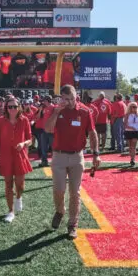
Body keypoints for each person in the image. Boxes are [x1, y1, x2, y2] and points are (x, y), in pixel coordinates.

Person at [46, 85, 100, 240]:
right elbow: (48, 129)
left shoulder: (84, 111)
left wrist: (96, 153)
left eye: (72, 98)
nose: (69, 102)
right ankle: (60, 211)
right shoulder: (57, 109)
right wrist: (56, 112)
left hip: (77, 156)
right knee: (59, 189)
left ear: (76, 96)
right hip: (59, 155)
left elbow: (92, 132)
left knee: (75, 193)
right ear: (61, 98)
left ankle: (72, 224)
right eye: (66, 99)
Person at [0, 95, 33, 223]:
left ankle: (19, 197)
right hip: (5, 156)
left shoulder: (24, 120)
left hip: (20, 155)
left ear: (19, 107)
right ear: (6, 108)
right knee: (8, 184)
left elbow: (30, 139)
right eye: (10, 107)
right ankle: (10, 211)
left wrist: (23, 144)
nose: (12, 109)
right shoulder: (1, 120)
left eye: (15, 106)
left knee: (20, 185)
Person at [35, 95, 55, 167]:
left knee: (53, 147)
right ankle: (44, 161)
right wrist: (40, 110)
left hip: (51, 131)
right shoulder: (44, 108)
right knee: (44, 147)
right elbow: (38, 117)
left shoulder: (53, 107)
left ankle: (55, 162)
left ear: (47, 101)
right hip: (44, 130)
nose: (43, 102)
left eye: (44, 101)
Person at [123, 102, 138, 168]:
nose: (134, 108)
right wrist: (131, 127)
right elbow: (125, 124)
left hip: (135, 132)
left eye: (136, 107)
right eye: (133, 106)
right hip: (128, 131)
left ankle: (132, 159)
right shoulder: (127, 114)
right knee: (130, 146)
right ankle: (131, 156)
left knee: (133, 146)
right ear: (130, 107)